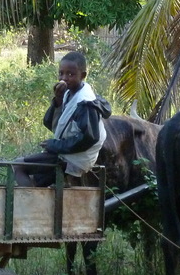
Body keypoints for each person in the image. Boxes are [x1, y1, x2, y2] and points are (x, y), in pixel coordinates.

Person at [14, 51, 111, 187]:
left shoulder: (85, 103)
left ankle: (29, 203)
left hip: (75, 158)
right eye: (61, 73)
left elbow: (89, 138)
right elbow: (53, 125)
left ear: (82, 76)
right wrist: (58, 100)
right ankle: (35, 201)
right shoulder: (68, 94)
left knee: (18, 165)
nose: (64, 78)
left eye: (70, 74)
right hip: (67, 153)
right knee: (37, 181)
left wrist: (54, 145)